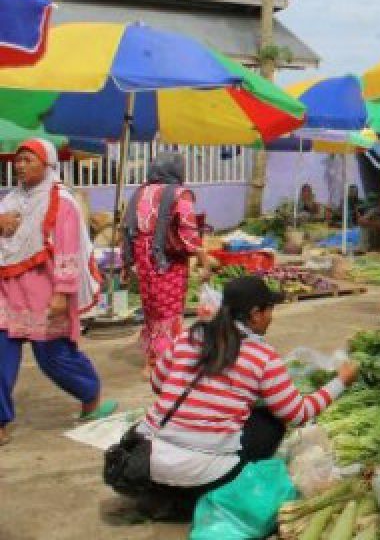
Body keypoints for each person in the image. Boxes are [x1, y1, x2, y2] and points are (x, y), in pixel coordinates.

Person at [129, 276, 357, 517]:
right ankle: (194, 499)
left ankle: (165, 494)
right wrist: (340, 382)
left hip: (148, 461)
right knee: (271, 422)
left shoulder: (188, 336)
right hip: (204, 475)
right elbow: (297, 413)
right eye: (270, 310)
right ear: (256, 314)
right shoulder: (262, 356)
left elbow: (157, 383)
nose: (272, 317)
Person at [0, 139, 112, 446]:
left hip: (44, 292)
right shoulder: (10, 200)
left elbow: (68, 250)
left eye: (28, 160)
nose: (20, 165)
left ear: (47, 164)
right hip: (7, 292)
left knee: (53, 357)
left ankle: (90, 396)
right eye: (18, 160)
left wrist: (62, 294)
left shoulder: (61, 202)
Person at [123, 153, 212, 379]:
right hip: (167, 260)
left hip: (144, 259)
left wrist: (127, 263)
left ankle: (151, 361)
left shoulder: (139, 192)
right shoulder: (179, 194)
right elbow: (188, 231)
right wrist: (203, 260)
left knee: (153, 311)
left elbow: (127, 228)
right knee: (170, 312)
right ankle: (162, 365)